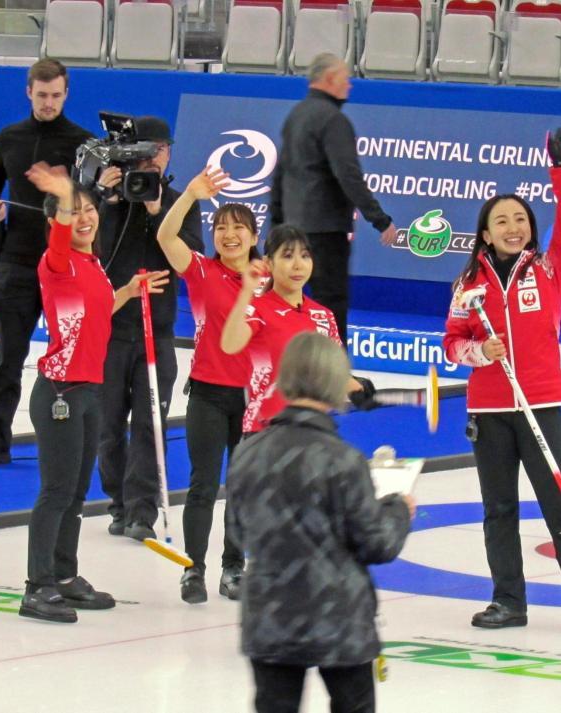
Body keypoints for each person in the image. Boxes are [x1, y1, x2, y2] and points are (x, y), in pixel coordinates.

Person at [442, 125, 561, 635]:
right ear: (485, 233)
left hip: (540, 403)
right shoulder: (466, 284)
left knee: (560, 505)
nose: (513, 226)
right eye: (502, 220)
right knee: (499, 510)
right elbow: (451, 344)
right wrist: (481, 350)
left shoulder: (548, 267)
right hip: (490, 410)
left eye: (520, 218)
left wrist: (560, 169)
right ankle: (507, 602)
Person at [226, 331, 414, 713]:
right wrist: (398, 510)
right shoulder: (342, 460)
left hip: (270, 615)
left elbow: (238, 531)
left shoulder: (248, 453)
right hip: (337, 616)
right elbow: (377, 543)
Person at [19, 161, 167, 623]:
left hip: (88, 393)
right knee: (56, 491)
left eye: (89, 210)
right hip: (60, 391)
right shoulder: (56, 261)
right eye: (74, 211)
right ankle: (36, 586)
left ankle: (64, 576)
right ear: (56, 221)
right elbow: (63, 232)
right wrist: (66, 192)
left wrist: (127, 290)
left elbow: (97, 311)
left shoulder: (90, 265)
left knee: (78, 492)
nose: (85, 217)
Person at [0, 59, 94, 468]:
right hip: (18, 262)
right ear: (28, 92)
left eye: (56, 95)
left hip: (67, 267)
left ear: (67, 93)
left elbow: (93, 205)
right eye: (42, 96)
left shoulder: (82, 143)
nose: (49, 103)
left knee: (75, 356)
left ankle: (72, 438)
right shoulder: (10, 137)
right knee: (8, 356)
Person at [95, 116, 204, 542]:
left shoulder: (180, 204)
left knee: (148, 424)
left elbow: (191, 259)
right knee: (107, 424)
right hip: (110, 329)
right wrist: (106, 198)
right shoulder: (107, 200)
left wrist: (160, 213)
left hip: (155, 331)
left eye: (161, 149)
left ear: (169, 152)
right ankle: (118, 502)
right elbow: (89, 251)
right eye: (146, 150)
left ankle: (142, 509)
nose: (154, 158)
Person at [154, 166, 257, 604]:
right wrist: (191, 196)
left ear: (254, 236)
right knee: (202, 484)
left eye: (238, 228)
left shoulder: (268, 280)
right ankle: (191, 570)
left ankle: (234, 568)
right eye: (221, 227)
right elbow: (165, 237)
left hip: (253, 402)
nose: (228, 234)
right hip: (208, 395)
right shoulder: (200, 271)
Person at [269, 52, 397, 345]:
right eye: (345, 78)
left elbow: (280, 175)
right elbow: (348, 175)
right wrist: (380, 219)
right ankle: (335, 377)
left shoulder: (296, 115)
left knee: (290, 300)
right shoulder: (334, 120)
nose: (350, 85)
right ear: (328, 79)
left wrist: (276, 227)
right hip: (326, 231)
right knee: (331, 305)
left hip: (293, 231)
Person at [221, 224, 371, 436]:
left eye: (305, 256)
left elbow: (332, 372)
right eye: (288, 256)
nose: (298, 265)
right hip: (265, 434)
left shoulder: (324, 315)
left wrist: (359, 388)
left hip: (314, 433)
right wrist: (246, 291)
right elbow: (229, 345)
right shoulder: (256, 308)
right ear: (268, 264)